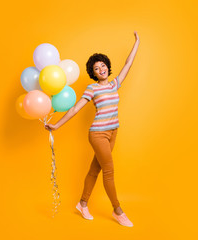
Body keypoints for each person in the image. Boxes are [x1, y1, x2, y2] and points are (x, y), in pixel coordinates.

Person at [45, 31, 140, 227]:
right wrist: (56, 125)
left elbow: (128, 64)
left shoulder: (114, 84)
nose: (101, 69)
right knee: (109, 171)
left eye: (103, 65)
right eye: (96, 68)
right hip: (98, 134)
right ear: (93, 73)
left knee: (94, 170)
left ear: (107, 67)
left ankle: (82, 204)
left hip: (113, 132)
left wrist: (137, 42)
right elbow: (75, 108)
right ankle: (118, 210)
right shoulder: (92, 89)